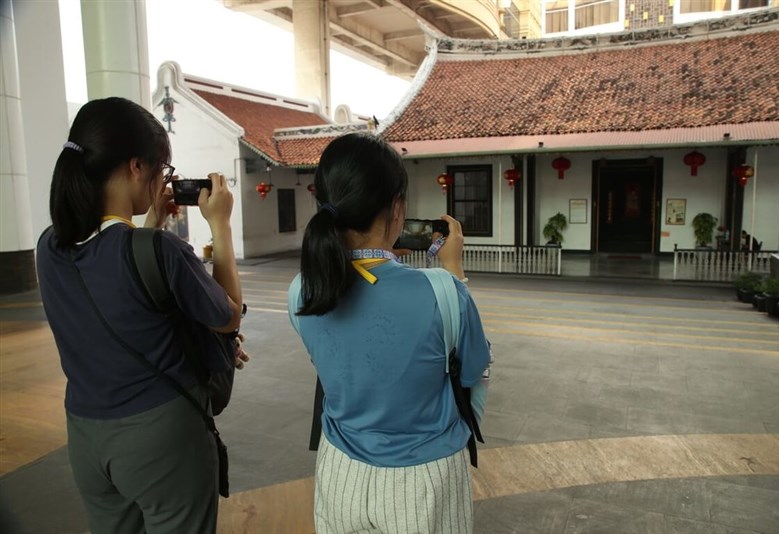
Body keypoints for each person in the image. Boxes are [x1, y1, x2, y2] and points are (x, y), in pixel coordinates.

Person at [36, 97, 245, 534]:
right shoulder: (159, 250)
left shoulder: (50, 247)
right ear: (136, 167)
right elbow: (227, 317)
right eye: (162, 171)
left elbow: (116, 283)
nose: (163, 181)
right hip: (161, 437)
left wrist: (149, 225)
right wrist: (221, 225)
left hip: (87, 437)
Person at [287, 132, 491, 533]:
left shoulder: (302, 290)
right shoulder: (442, 291)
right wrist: (453, 271)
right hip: (424, 482)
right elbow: (473, 374)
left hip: (338, 473)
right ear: (396, 207)